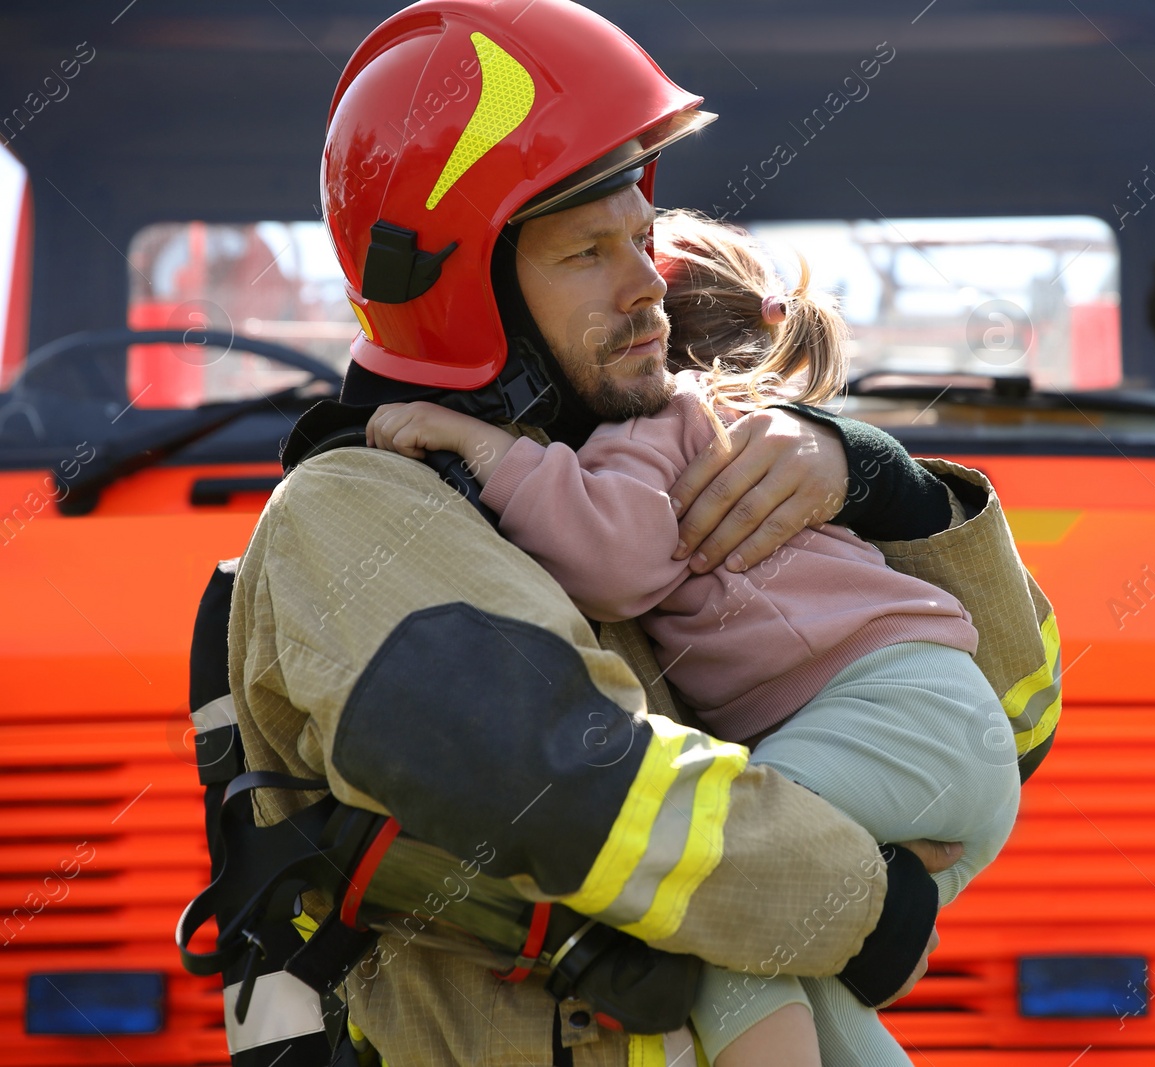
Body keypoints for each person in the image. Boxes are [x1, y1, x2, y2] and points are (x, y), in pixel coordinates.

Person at [228, 3, 1061, 1064]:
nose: (646, 284)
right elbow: (571, 780)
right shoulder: (355, 514)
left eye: (642, 238)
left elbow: (1009, 719)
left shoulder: (627, 457)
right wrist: (861, 896)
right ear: (462, 289)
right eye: (586, 251)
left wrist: (878, 488)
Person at [365, 209, 1022, 1066]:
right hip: (940, 735)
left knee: (709, 890)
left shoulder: (661, 418)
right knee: (792, 965)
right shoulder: (744, 429)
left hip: (889, 712)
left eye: (628, 259)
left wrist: (485, 449)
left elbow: (616, 560)